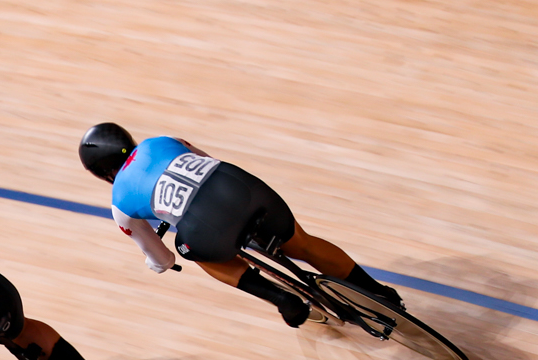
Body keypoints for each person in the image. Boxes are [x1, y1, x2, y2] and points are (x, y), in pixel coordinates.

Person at [77, 122, 405, 327]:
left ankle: (282, 299)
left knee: (193, 251)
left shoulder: (120, 204)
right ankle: (381, 293)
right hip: (242, 187)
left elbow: (163, 258)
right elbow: (207, 160)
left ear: (100, 173)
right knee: (302, 243)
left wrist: (158, 264)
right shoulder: (162, 139)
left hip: (209, 227)